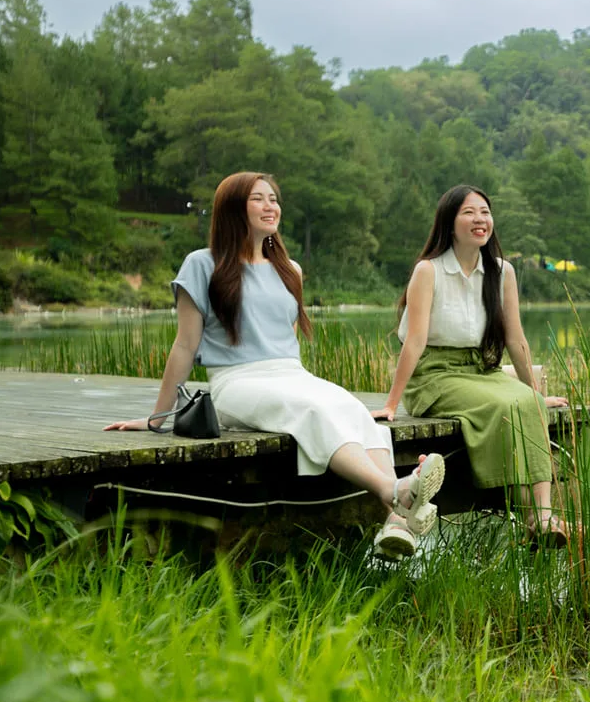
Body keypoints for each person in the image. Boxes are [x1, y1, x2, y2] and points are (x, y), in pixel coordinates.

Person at [105, 171, 444, 560]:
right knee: (313, 410)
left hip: (291, 375)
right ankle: (394, 490)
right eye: (258, 199)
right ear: (233, 208)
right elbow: (185, 344)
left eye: (274, 199)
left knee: (350, 408)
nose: (271, 206)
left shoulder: (290, 270)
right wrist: (157, 417)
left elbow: (286, 341)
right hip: (236, 382)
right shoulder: (201, 265)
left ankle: (396, 520)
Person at [375, 185, 572, 547]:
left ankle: (541, 515)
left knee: (528, 404)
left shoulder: (502, 272)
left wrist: (537, 393)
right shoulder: (429, 271)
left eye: (485, 211)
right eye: (469, 212)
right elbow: (415, 341)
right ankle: (534, 516)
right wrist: (392, 403)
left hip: (482, 370)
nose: (480, 219)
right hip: (435, 375)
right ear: (450, 223)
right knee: (504, 405)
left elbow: (516, 340)